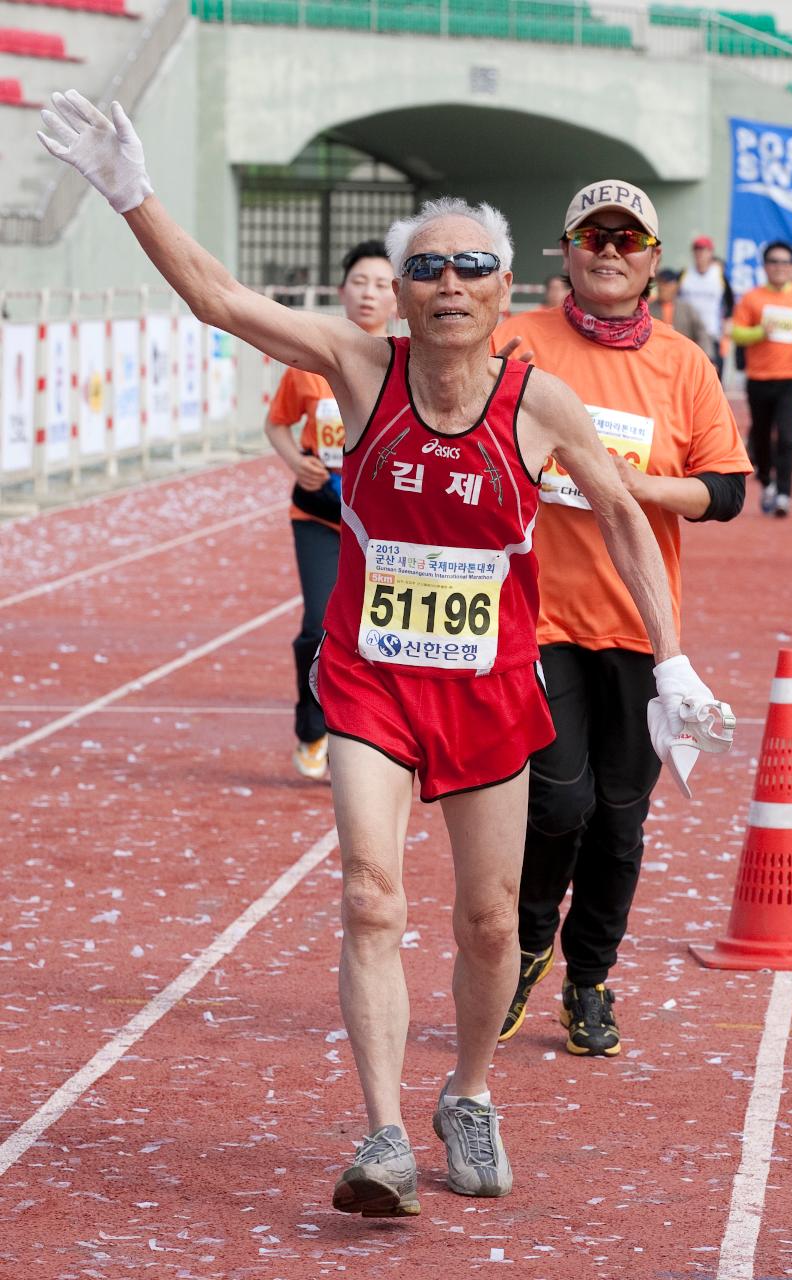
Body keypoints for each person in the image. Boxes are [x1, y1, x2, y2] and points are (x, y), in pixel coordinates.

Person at [38, 95, 732, 1217]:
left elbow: (617, 518)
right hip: (369, 678)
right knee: (369, 893)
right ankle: (381, 1132)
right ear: (403, 289)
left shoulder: (538, 400)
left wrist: (672, 665)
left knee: (490, 918)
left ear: (507, 290)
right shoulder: (358, 367)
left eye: (471, 265)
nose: (448, 282)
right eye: (427, 267)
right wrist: (133, 194)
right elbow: (220, 299)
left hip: (490, 687)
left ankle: (465, 1091)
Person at [492, 179, 750, 1057]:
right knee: (557, 802)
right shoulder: (515, 341)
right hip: (537, 618)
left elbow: (722, 492)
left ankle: (588, 977)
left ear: (651, 261)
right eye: (591, 237)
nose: (608, 251)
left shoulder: (681, 364)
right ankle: (526, 945)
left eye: (626, 239)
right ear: (564, 251)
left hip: (640, 628)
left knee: (619, 818)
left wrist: (629, 486)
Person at [264, 240, 396, 780]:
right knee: (317, 625)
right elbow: (276, 425)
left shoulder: (405, 366)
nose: (370, 293)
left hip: (384, 524)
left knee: (377, 633)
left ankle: (368, 738)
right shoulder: (309, 363)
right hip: (320, 513)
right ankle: (312, 725)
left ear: (400, 297)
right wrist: (298, 461)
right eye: (360, 282)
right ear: (341, 291)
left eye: (383, 284)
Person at [732, 240, 792, 518]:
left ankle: (784, 493)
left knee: (787, 436)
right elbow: (737, 333)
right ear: (765, 266)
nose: (779, 267)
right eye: (773, 262)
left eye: (784, 262)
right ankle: (768, 483)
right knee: (760, 436)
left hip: (791, 377)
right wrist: (761, 331)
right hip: (759, 378)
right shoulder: (752, 298)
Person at [677, 235, 734, 379]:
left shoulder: (719, 275)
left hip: (711, 333)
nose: (700, 253)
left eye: (703, 250)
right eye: (697, 250)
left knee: (712, 375)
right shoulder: (685, 274)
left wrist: (728, 321)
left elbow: (730, 300)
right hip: (687, 335)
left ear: (710, 252)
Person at [648, 267, 713, 357]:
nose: (663, 288)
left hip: (683, 357)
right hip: (656, 356)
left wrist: (707, 356)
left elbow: (701, 333)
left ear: (675, 286)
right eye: (661, 284)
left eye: (667, 284)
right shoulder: (649, 310)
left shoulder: (686, 309)